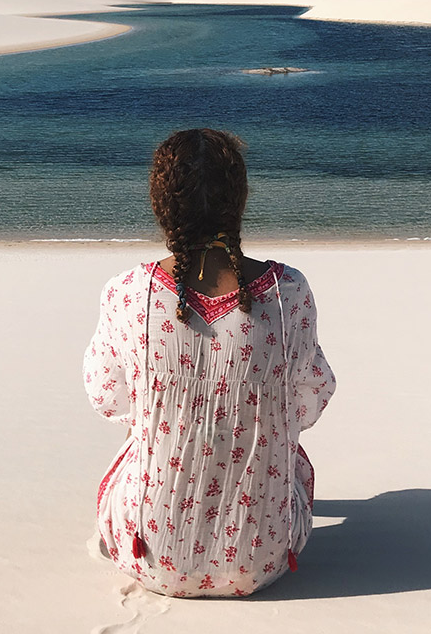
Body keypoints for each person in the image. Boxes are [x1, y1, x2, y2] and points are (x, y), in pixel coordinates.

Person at [83, 128, 335, 598]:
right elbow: (308, 403)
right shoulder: (288, 293)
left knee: (142, 441)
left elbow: (107, 397)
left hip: (149, 552)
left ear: (162, 205)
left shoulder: (128, 294)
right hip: (265, 560)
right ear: (238, 201)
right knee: (286, 451)